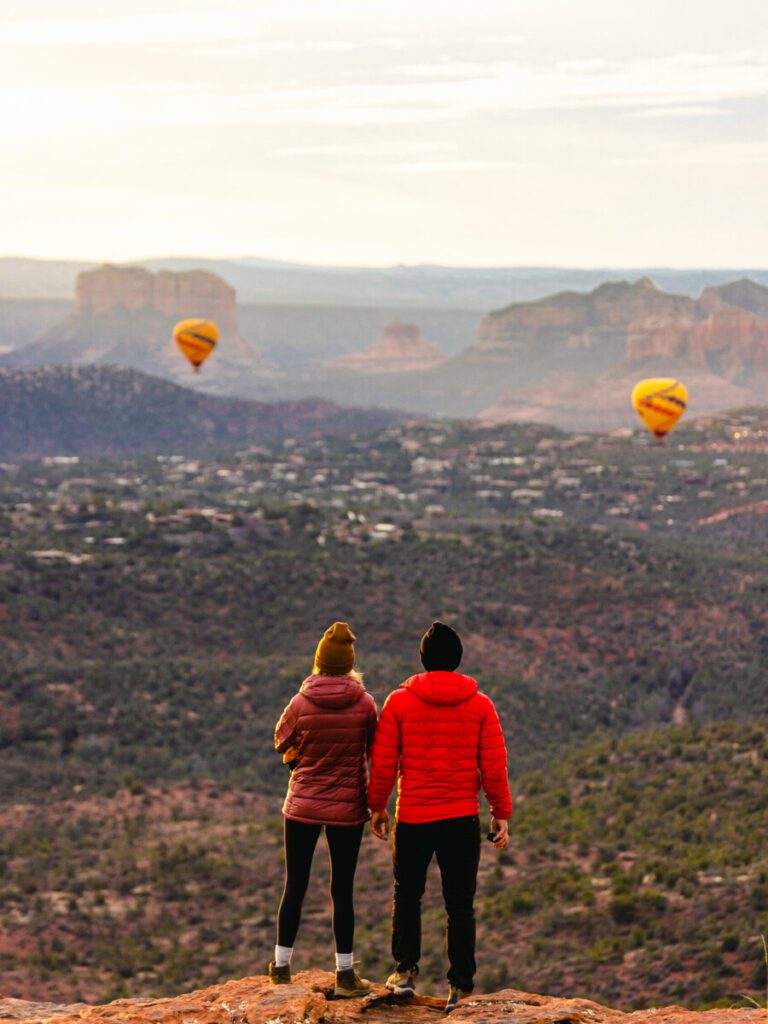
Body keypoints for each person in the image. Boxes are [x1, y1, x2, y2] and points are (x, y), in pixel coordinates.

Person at [368, 621, 512, 1014]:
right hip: (461, 819)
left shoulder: (399, 702)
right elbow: (494, 767)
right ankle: (461, 988)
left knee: (407, 894)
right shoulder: (480, 705)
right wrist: (500, 814)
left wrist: (377, 805)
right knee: (460, 905)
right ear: (458, 659)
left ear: (424, 660)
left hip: (413, 816)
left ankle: (404, 975)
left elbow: (383, 762)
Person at [270, 621, 377, 997]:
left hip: (301, 805)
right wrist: (377, 804)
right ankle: (345, 975)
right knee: (342, 889)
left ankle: (281, 968)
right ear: (350, 663)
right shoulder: (364, 704)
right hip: (348, 807)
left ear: (318, 662)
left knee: (295, 884)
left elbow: (281, 739)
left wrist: (296, 757)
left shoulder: (300, 702)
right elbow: (374, 752)